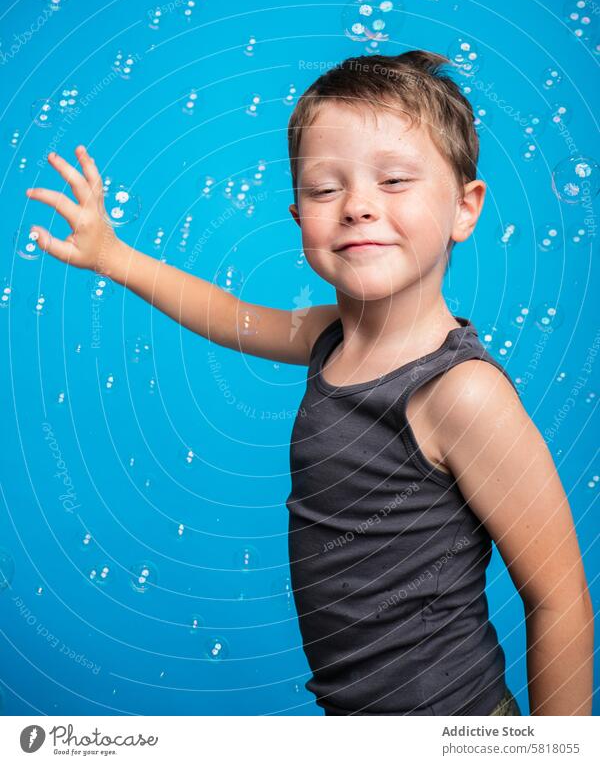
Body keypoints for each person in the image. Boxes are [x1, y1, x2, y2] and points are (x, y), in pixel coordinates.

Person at [26, 50, 593, 716]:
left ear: (466, 209)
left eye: (394, 180)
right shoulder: (329, 338)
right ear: (300, 218)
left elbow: (558, 598)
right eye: (327, 189)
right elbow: (229, 317)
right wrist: (115, 255)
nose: (357, 206)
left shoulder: (460, 393)